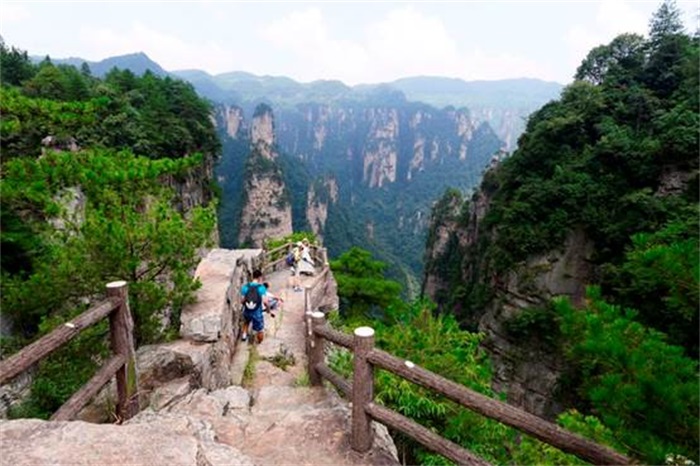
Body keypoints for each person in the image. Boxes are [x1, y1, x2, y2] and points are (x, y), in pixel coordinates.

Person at [240, 269, 268, 344]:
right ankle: (259, 342)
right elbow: (265, 302)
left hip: (247, 310)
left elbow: (242, 301)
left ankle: (244, 336)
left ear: (252, 276)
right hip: (257, 312)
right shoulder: (261, 288)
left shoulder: (245, 287)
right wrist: (268, 309)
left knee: (246, 321)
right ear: (259, 278)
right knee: (260, 329)